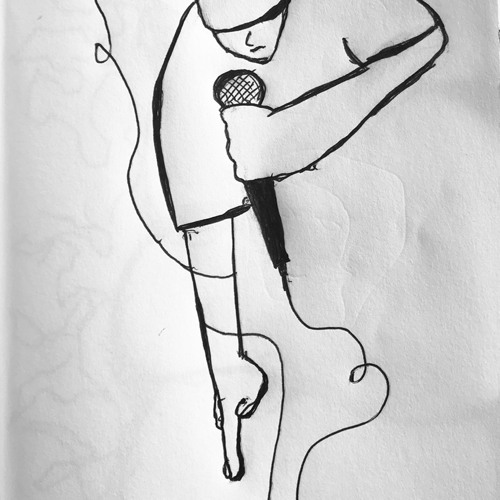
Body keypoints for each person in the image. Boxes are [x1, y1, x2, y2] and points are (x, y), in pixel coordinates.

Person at [153, 0, 447, 482]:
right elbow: (199, 213)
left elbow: (429, 36)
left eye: (268, 18)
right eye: (230, 32)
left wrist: (296, 130)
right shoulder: (192, 52)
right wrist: (227, 362)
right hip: (261, 239)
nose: (251, 40)